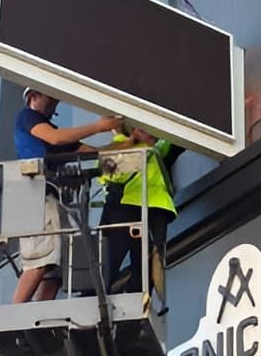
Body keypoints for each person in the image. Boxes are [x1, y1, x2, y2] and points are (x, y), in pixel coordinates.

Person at [12, 89, 121, 304]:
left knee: (57, 262)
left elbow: (91, 151)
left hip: (49, 197)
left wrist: (126, 145)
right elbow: (56, 138)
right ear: (33, 96)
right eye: (50, 98)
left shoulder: (50, 132)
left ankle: (41, 312)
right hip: (34, 194)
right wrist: (99, 126)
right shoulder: (27, 117)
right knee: (40, 257)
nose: (54, 105)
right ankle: (14, 312)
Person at [97, 129, 177, 297]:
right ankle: (97, 297)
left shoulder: (156, 148)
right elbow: (111, 174)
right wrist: (134, 143)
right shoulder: (120, 144)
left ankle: (140, 300)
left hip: (154, 208)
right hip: (125, 207)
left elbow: (169, 140)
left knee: (147, 266)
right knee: (109, 263)